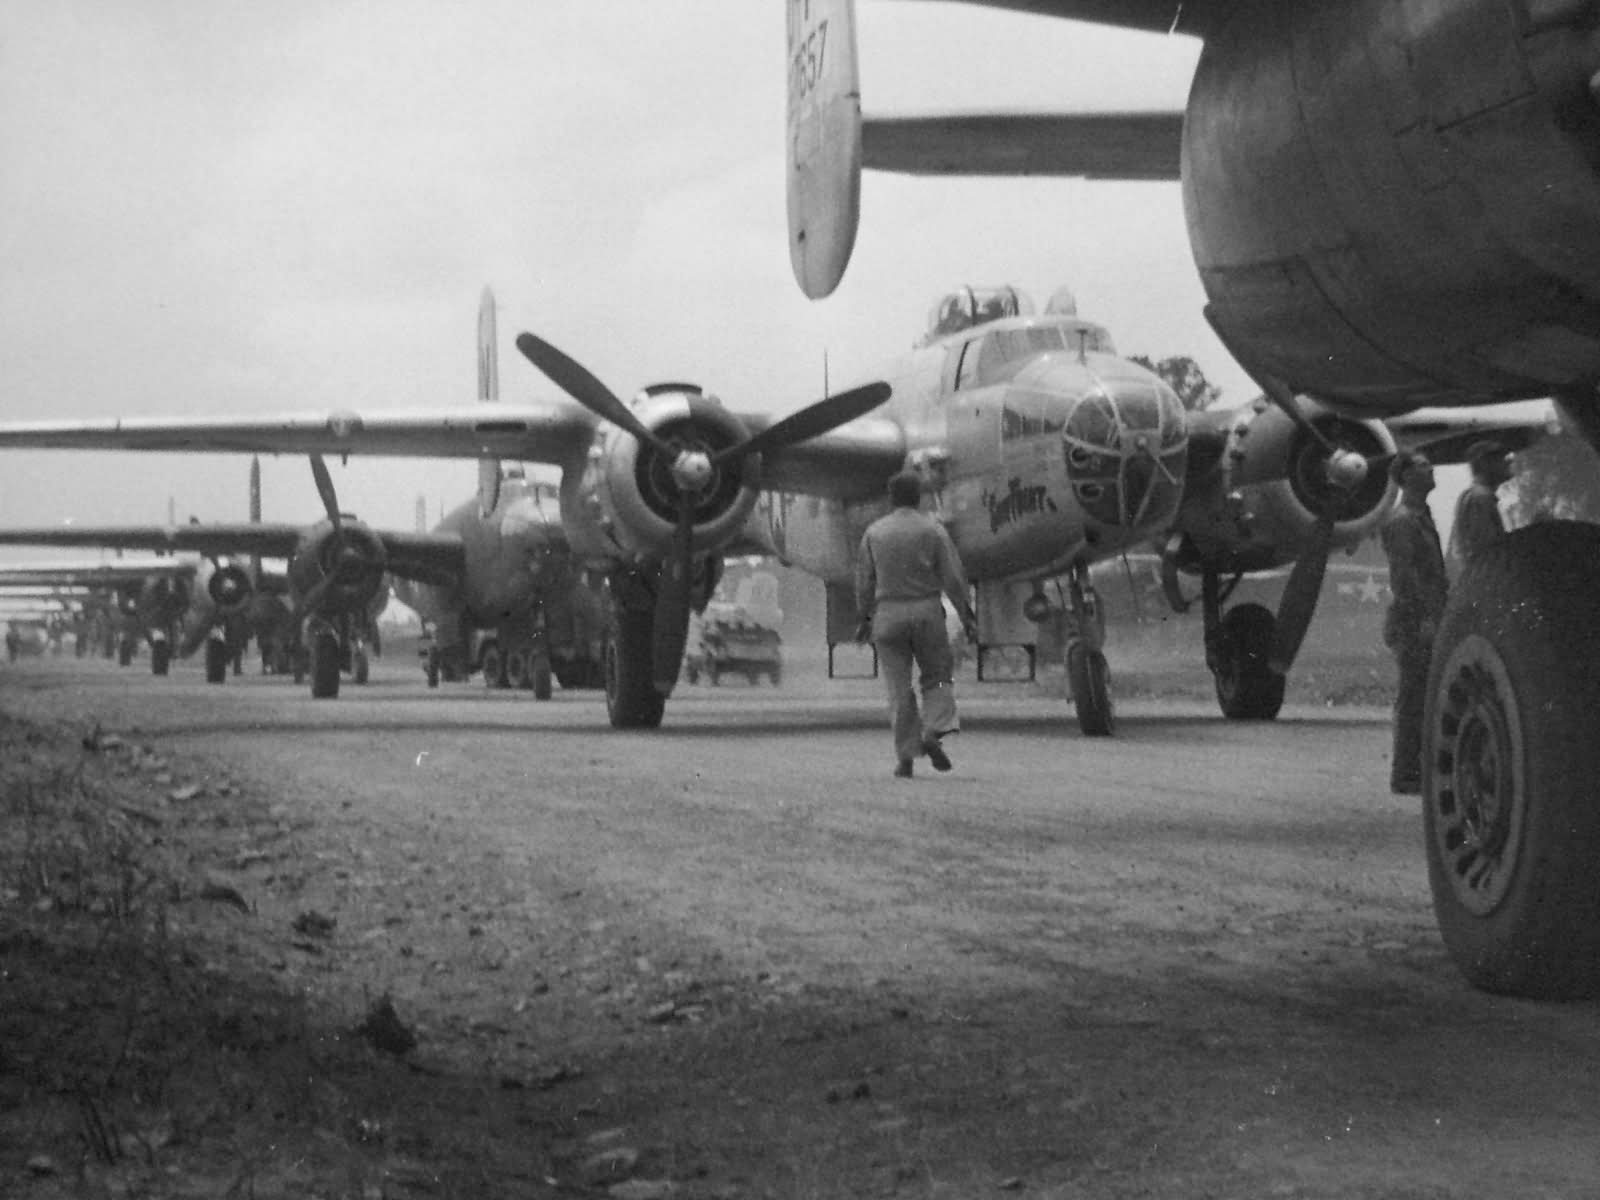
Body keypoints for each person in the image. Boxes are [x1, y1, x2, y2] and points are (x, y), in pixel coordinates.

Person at [855, 471, 979, 778]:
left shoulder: (875, 532)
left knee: (899, 689)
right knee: (937, 676)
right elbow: (953, 576)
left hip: (888, 616)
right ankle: (934, 731)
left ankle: (906, 758)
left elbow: (864, 581)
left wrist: (863, 617)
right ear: (919, 496)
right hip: (926, 612)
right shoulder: (933, 530)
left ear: (891, 497)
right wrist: (966, 614)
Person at [1379, 451, 1449, 795]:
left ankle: (1414, 769)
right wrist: (1422, 618)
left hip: (1427, 618)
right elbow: (1404, 578)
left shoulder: (1420, 517)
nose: (1431, 467)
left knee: (1422, 696)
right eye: (1422, 464)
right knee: (1413, 699)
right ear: (1405, 476)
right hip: (1415, 622)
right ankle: (1405, 773)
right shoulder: (1403, 521)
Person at [1449, 440, 1512, 569]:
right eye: (1500, 458)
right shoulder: (1480, 499)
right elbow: (1488, 555)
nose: (1508, 461)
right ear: (1485, 464)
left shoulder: (1479, 496)